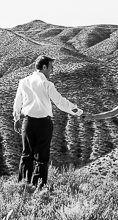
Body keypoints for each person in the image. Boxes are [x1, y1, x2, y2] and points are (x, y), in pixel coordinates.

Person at [13, 55, 84, 187]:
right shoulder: (47, 84)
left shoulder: (24, 81)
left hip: (27, 123)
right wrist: (79, 112)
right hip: (44, 124)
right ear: (44, 67)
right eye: (51, 67)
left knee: (26, 155)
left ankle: (22, 186)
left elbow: (17, 103)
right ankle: (38, 187)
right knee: (41, 158)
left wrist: (16, 119)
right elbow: (61, 103)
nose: (52, 70)